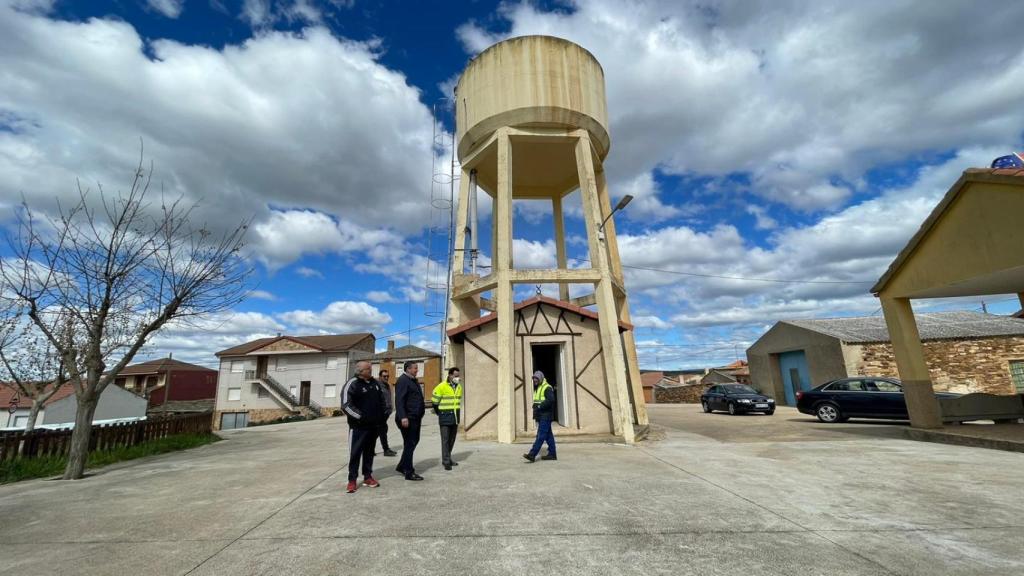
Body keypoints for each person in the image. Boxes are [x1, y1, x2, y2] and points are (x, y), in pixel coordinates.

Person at [341, 360, 388, 493]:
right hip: (358, 427)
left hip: (373, 426)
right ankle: (352, 480)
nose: (371, 370)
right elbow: (346, 405)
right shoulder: (352, 384)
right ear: (360, 371)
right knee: (355, 454)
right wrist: (361, 417)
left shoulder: (375, 383)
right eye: (368, 369)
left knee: (369, 453)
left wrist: (381, 416)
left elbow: (382, 400)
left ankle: (367, 476)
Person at [394, 360, 425, 480]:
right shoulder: (403, 380)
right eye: (415, 368)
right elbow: (399, 400)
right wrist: (403, 416)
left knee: (413, 442)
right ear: (408, 369)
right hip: (408, 418)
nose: (417, 370)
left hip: (415, 417)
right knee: (410, 443)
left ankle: (402, 466)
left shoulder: (413, 380)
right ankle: (408, 471)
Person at [432, 367, 463, 471]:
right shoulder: (441, 386)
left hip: (455, 417)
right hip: (445, 417)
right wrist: (440, 413)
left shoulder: (459, 387)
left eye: (458, 375)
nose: (457, 377)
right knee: (445, 440)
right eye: (455, 375)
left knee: (452, 440)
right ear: (450, 375)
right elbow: (435, 402)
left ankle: (448, 458)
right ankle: (446, 462)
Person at [523, 370, 556, 463]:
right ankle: (552, 454)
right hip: (541, 416)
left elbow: (551, 400)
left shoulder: (547, 387)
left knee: (540, 436)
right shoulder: (538, 387)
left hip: (546, 415)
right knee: (548, 436)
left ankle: (532, 455)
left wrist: (539, 406)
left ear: (540, 378)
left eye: (536, 379)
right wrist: (535, 407)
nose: (534, 380)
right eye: (534, 379)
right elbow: (538, 401)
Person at [376, 369, 398, 457]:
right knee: (382, 431)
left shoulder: (387, 385)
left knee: (378, 432)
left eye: (387, 376)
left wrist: (390, 409)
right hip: (380, 413)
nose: (386, 378)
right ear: (380, 377)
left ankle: (370, 449)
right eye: (384, 376)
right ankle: (386, 450)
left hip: (386, 413)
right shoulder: (377, 386)